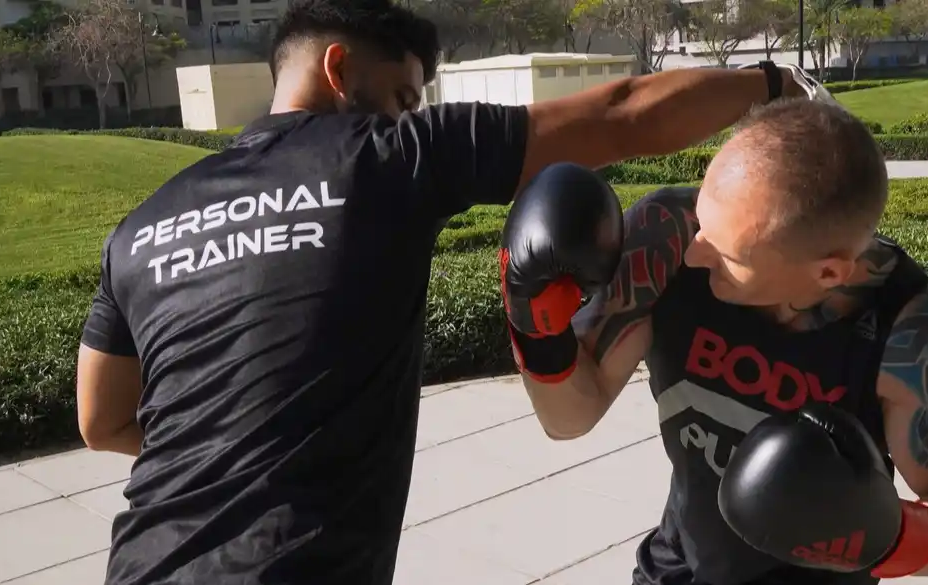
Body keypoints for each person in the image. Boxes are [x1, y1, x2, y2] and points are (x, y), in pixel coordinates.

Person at [72, 0, 816, 582]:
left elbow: (101, 420)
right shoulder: (386, 157)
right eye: (400, 94)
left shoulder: (139, 227)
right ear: (339, 69)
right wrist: (776, 85)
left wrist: (231, 448)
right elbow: (619, 113)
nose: (408, 114)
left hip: (141, 562)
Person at [499, 97, 928, 585]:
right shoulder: (667, 240)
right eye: (703, 219)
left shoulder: (917, 342)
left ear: (828, 271)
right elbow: (568, 419)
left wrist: (885, 536)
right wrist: (535, 325)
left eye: (728, 255)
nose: (695, 256)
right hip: (677, 569)